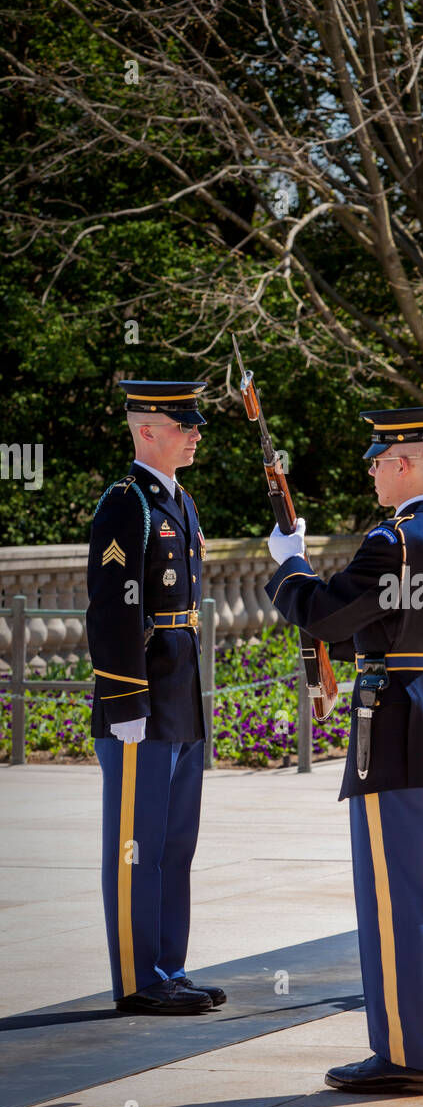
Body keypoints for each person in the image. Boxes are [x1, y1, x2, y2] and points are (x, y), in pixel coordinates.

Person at [266, 405, 423, 1093]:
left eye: (379, 459)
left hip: (393, 732)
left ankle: (405, 1058)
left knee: (392, 904)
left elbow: (328, 614)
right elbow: (386, 624)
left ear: (407, 464)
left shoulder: (396, 540)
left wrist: (289, 567)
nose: (371, 469)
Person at [86, 380, 225, 1014]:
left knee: (174, 842)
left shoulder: (180, 501)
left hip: (181, 698)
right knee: (135, 845)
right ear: (147, 431)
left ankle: (169, 966)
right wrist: (124, 701)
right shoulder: (127, 505)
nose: (196, 432)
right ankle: (139, 980)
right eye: (183, 424)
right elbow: (113, 611)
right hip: (141, 701)